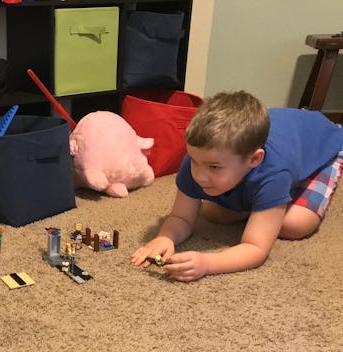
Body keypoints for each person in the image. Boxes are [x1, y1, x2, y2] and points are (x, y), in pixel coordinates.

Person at [131, 91, 343, 281]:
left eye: (214, 167)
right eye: (194, 161)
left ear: (254, 160)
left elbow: (256, 248)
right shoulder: (197, 161)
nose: (200, 176)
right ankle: (260, 206)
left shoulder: (275, 173)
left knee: (294, 225)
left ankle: (271, 201)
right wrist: (165, 237)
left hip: (324, 147)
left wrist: (207, 264)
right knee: (215, 214)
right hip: (283, 143)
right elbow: (181, 218)